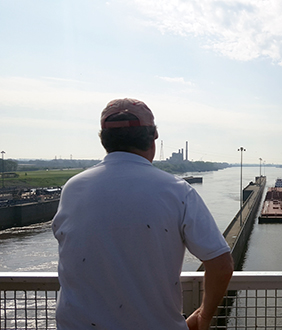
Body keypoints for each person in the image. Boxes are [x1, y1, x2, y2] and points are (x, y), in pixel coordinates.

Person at [52, 98, 233, 330]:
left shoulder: (73, 189)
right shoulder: (177, 191)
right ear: (153, 138)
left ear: (103, 140)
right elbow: (220, 263)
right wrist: (204, 315)